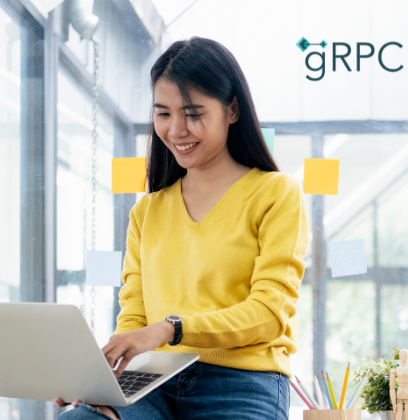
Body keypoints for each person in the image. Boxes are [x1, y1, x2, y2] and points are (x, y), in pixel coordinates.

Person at [56, 37, 308, 420]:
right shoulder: (148, 212)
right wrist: (103, 376)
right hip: (151, 382)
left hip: (240, 383)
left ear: (233, 110)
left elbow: (269, 314)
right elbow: (133, 320)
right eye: (163, 114)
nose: (176, 130)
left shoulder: (275, 194)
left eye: (193, 114)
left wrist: (171, 329)